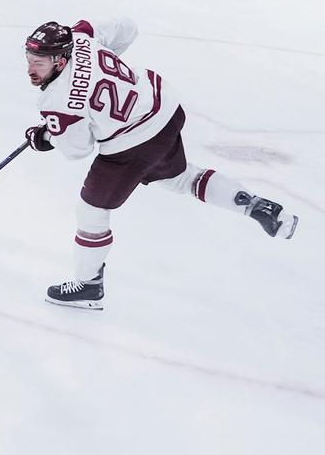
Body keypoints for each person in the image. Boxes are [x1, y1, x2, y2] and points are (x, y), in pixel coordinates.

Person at [24, 19, 296, 309]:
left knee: (91, 210)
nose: (30, 69)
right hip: (163, 107)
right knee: (179, 178)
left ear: (60, 60)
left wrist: (47, 137)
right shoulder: (81, 35)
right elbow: (127, 28)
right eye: (29, 59)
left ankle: (88, 286)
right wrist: (99, 69)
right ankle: (257, 206)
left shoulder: (57, 101)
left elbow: (78, 150)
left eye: (39, 63)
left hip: (134, 140)